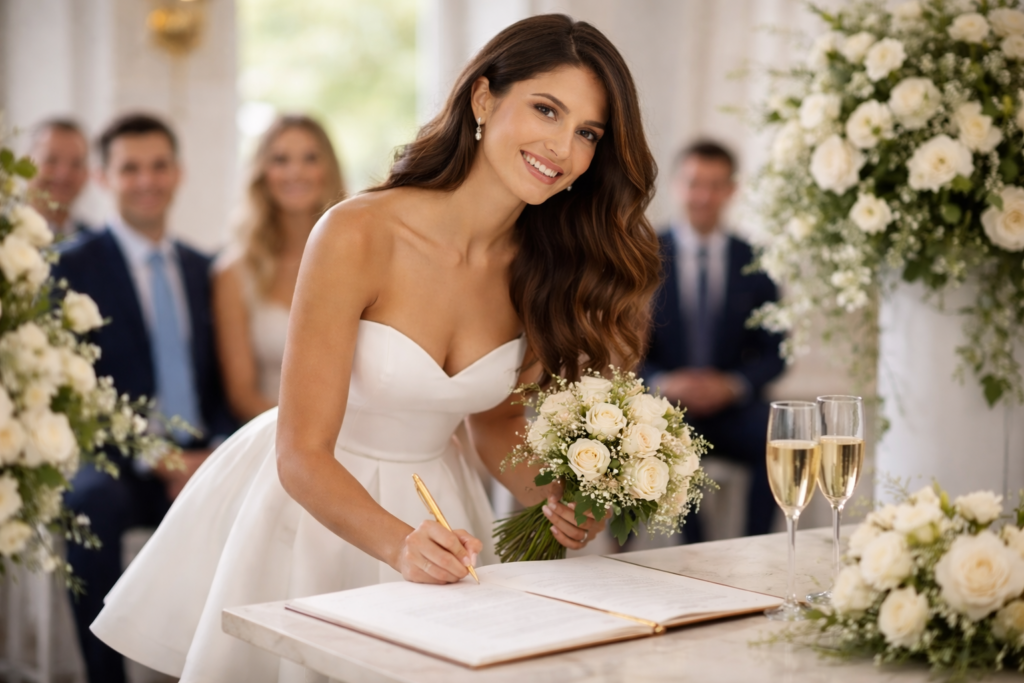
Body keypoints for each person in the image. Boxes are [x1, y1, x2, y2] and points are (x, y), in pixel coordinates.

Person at [91, 14, 661, 682]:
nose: (563, 146)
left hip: (443, 513)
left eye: (588, 132)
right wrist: (400, 543)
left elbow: (496, 422)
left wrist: (556, 495)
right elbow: (301, 453)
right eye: (546, 109)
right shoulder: (356, 232)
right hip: (312, 509)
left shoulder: (544, 267)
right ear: (483, 99)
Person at [53, 113, 235, 683]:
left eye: (159, 166)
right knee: (87, 500)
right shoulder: (70, 267)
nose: (147, 180)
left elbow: (225, 383)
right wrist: (150, 455)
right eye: (130, 168)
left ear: (178, 174)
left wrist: (217, 453)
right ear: (105, 177)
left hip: (205, 461)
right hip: (120, 466)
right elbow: (67, 392)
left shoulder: (205, 268)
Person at [642, 140, 784, 541]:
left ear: (731, 191)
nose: (702, 196)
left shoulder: (755, 261)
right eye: (693, 183)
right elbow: (619, 348)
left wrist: (731, 385)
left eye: (714, 185)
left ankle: (761, 550)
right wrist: (665, 383)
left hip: (733, 410)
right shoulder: (642, 255)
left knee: (781, 438)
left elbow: (776, 352)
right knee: (670, 445)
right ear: (675, 185)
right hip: (667, 411)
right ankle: (697, 561)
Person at [213, 115, 345, 422]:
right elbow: (242, 394)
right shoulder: (233, 273)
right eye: (280, 159)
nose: (295, 172)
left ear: (328, 168)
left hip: (361, 434)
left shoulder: (363, 259)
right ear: (262, 173)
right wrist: (308, 441)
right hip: (273, 434)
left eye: (310, 158)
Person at [25, 118, 92, 236]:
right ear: (26, 165)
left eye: (76, 164)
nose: (63, 174)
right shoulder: (5, 230)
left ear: (87, 173)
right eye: (51, 160)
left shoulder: (95, 244)